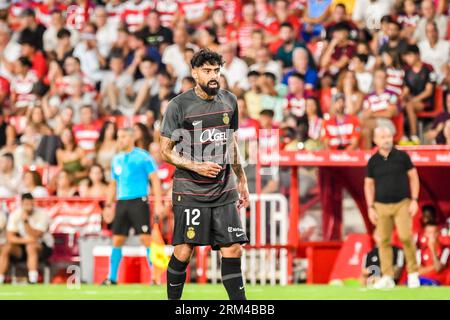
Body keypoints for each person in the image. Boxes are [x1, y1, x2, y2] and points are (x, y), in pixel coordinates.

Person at [160, 49, 250, 300]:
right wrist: (196, 166)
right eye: (207, 71)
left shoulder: (230, 101)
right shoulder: (178, 106)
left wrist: (241, 180)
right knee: (184, 250)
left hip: (223, 189)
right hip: (190, 190)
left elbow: (230, 142)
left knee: (233, 248)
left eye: (216, 71)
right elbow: (165, 152)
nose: (213, 76)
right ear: (194, 73)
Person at [102, 127, 164, 285]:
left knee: (146, 239)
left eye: (122, 136)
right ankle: (112, 278)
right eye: (118, 136)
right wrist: (109, 205)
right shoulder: (116, 159)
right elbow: (113, 183)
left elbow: (155, 180)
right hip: (121, 202)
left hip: (139, 201)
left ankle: (155, 277)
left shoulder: (143, 157)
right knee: (117, 240)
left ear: (131, 138)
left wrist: (158, 203)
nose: (120, 140)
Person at [364, 126, 420, 289]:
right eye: (382, 137)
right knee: (383, 240)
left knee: (405, 237)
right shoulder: (373, 161)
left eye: (388, 136)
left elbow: (413, 177)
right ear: (375, 140)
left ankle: (413, 273)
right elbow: (368, 185)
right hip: (380, 205)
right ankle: (387, 276)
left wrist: (414, 200)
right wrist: (370, 207)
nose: (386, 139)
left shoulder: (402, 156)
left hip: (402, 203)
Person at [0, 193, 53, 285]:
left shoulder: (41, 214)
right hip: (24, 245)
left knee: (31, 247)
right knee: (6, 247)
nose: (29, 207)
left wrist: (26, 222)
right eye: (26, 204)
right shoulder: (15, 214)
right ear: (22, 204)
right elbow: (10, 237)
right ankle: (0, 277)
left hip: (43, 246)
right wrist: (26, 240)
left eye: (31, 204)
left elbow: (36, 235)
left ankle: (32, 278)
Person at [402, 44, 436, 144]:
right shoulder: (407, 70)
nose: (407, 59)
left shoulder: (429, 68)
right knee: (402, 105)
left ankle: (414, 136)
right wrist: (403, 96)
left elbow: (429, 91)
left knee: (409, 105)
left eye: (409, 55)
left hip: (426, 102)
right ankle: (403, 136)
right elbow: (406, 88)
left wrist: (414, 99)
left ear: (417, 55)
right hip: (412, 101)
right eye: (406, 56)